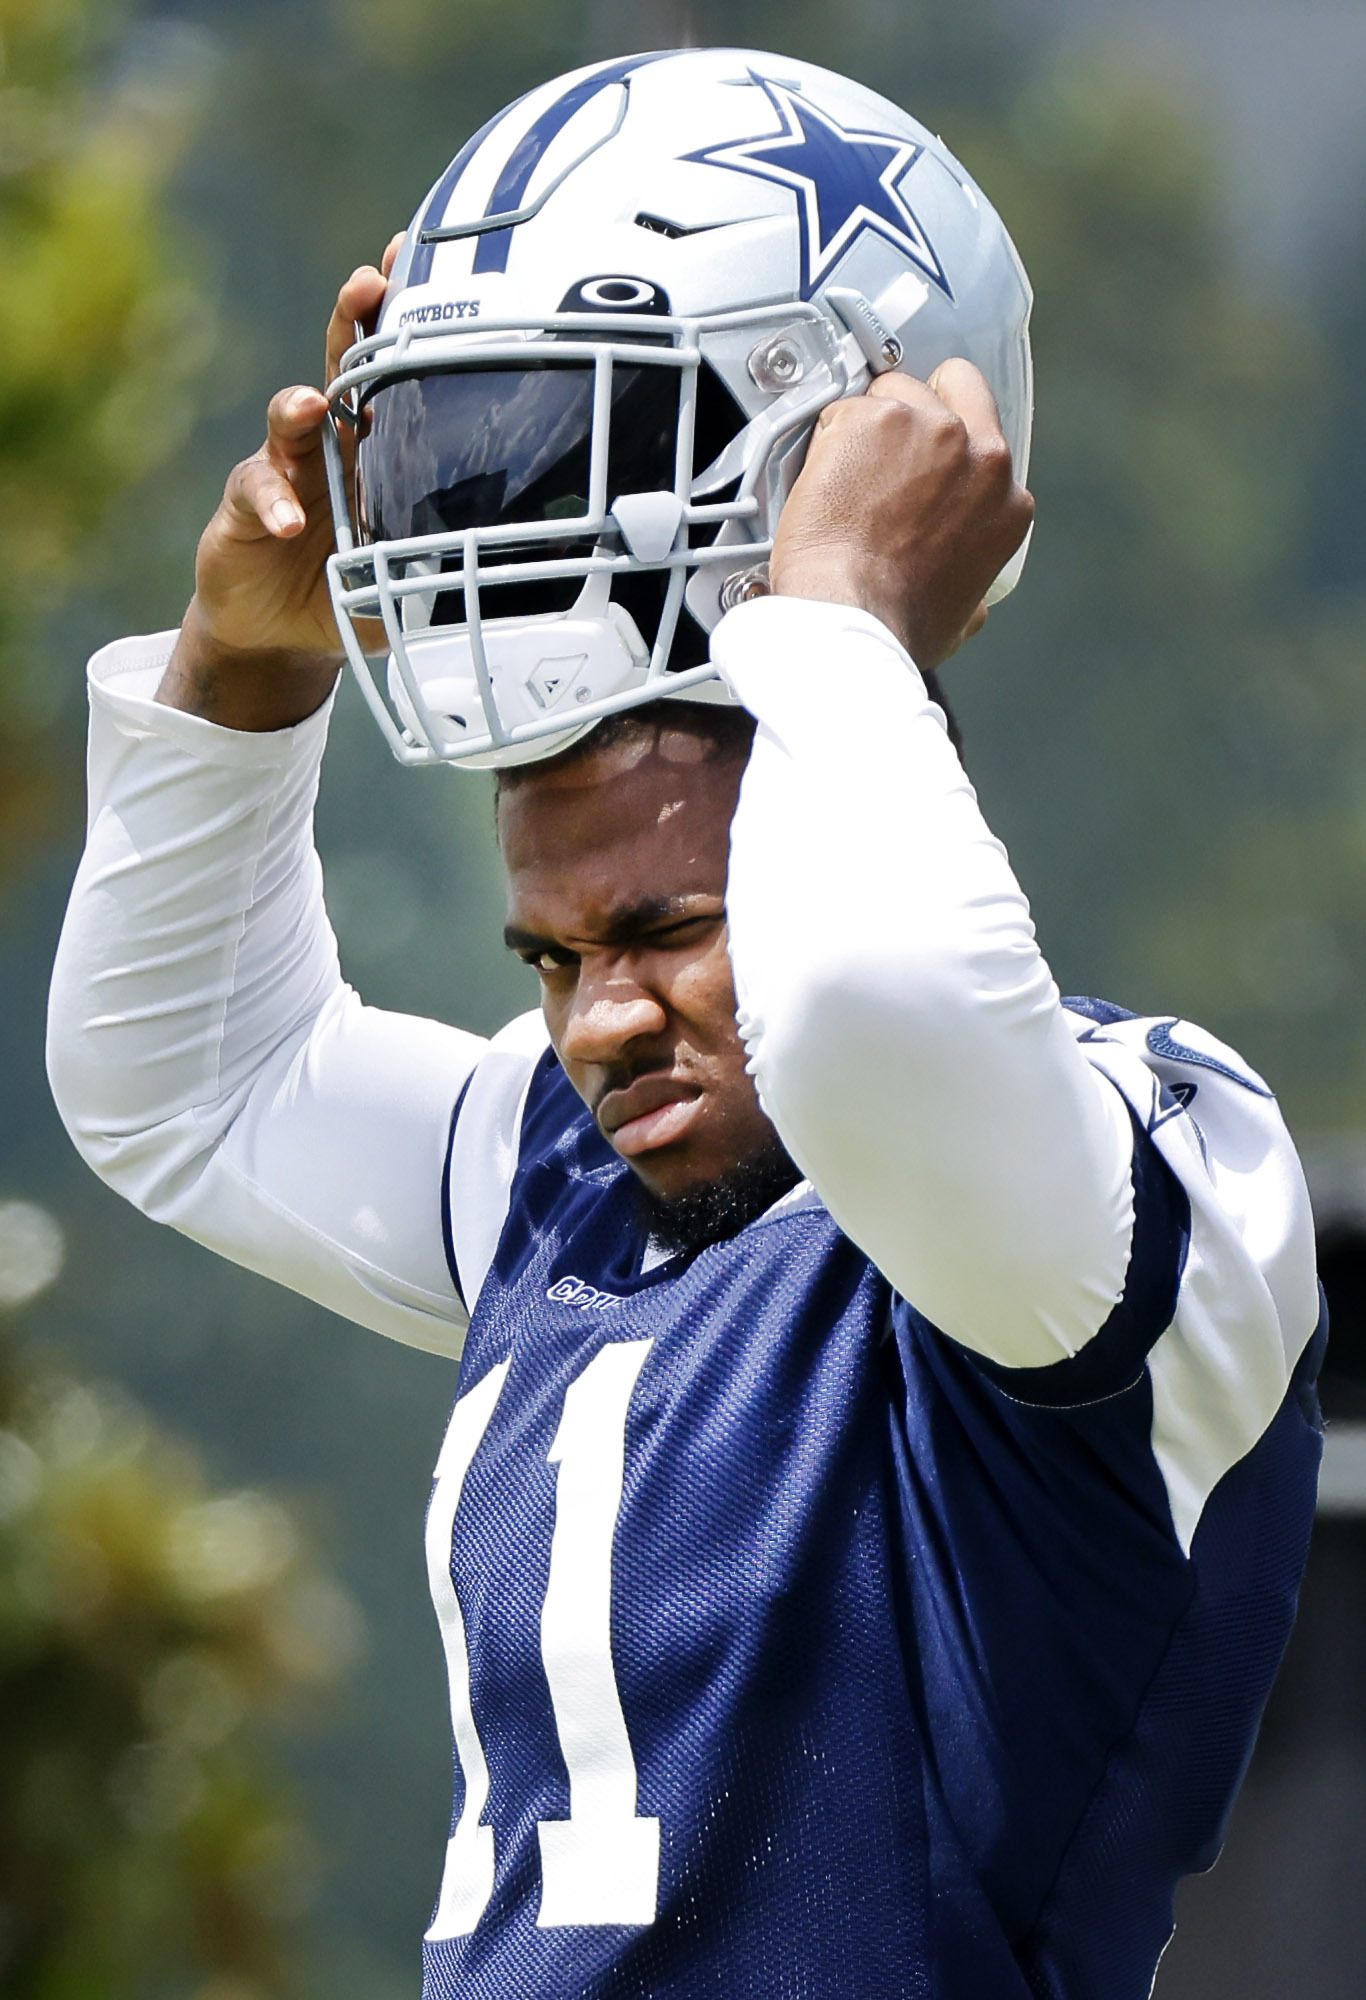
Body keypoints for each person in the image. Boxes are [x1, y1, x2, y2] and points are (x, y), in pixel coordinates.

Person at [48, 47, 1322, 2000]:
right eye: (549, 958)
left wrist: (835, 612)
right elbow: (186, 1086)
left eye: (664, 928)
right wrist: (242, 662)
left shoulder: (1145, 1154)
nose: (599, 1021)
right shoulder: (576, 1175)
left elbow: (885, 1018)